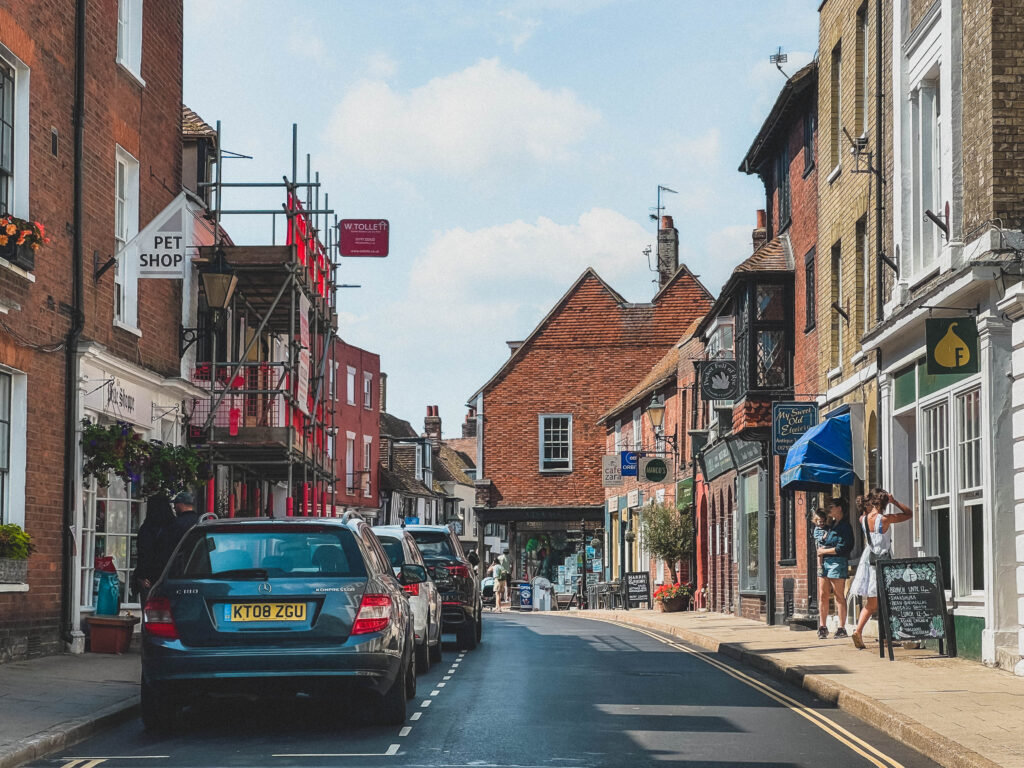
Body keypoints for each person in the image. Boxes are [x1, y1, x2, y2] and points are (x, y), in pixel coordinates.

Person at [849, 488, 913, 649]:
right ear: (884, 503)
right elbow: (909, 514)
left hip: (870, 562)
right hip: (884, 563)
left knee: (872, 603)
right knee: (887, 600)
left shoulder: (862, 519)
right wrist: (895, 501)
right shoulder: (885, 519)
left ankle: (859, 631)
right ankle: (886, 637)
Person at [815, 497, 854, 640]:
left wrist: (823, 551)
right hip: (824, 563)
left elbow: (844, 547)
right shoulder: (831, 525)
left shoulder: (845, 526)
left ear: (839, 508)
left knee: (838, 595)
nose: (829, 509)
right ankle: (822, 627)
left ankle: (841, 628)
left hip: (837, 562)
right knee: (822, 594)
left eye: (832, 506)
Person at [132, 493, 175, 600]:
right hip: (171, 576)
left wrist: (142, 576)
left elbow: (144, 554)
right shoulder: (174, 527)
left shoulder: (147, 528)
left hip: (150, 577)